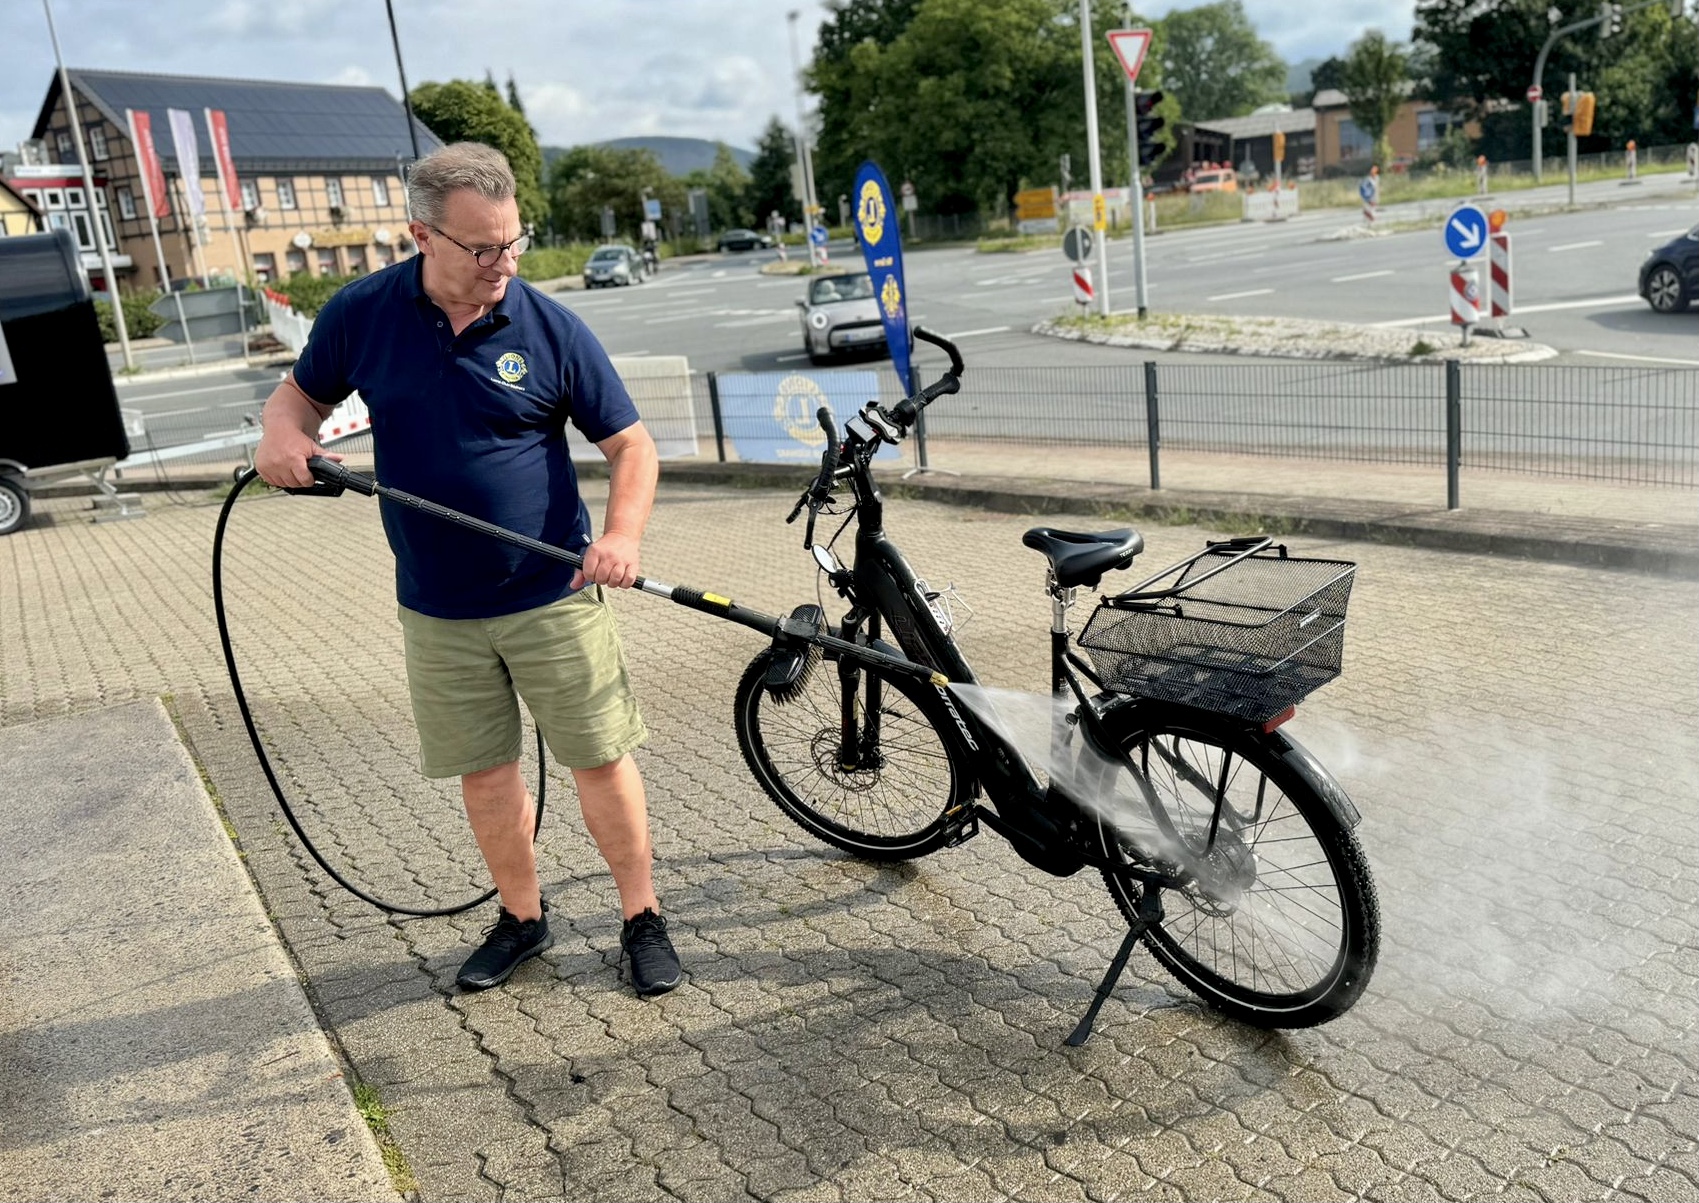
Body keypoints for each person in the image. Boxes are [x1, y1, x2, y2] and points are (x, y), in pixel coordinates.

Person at [253, 142, 681, 998]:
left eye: (513, 242)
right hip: (436, 607)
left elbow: (631, 446)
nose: (502, 263)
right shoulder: (362, 313)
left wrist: (624, 535)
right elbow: (298, 398)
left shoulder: (550, 326)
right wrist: (282, 436)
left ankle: (642, 916)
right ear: (422, 235)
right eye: (482, 247)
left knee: (598, 759)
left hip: (552, 594)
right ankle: (522, 919)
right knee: (485, 774)